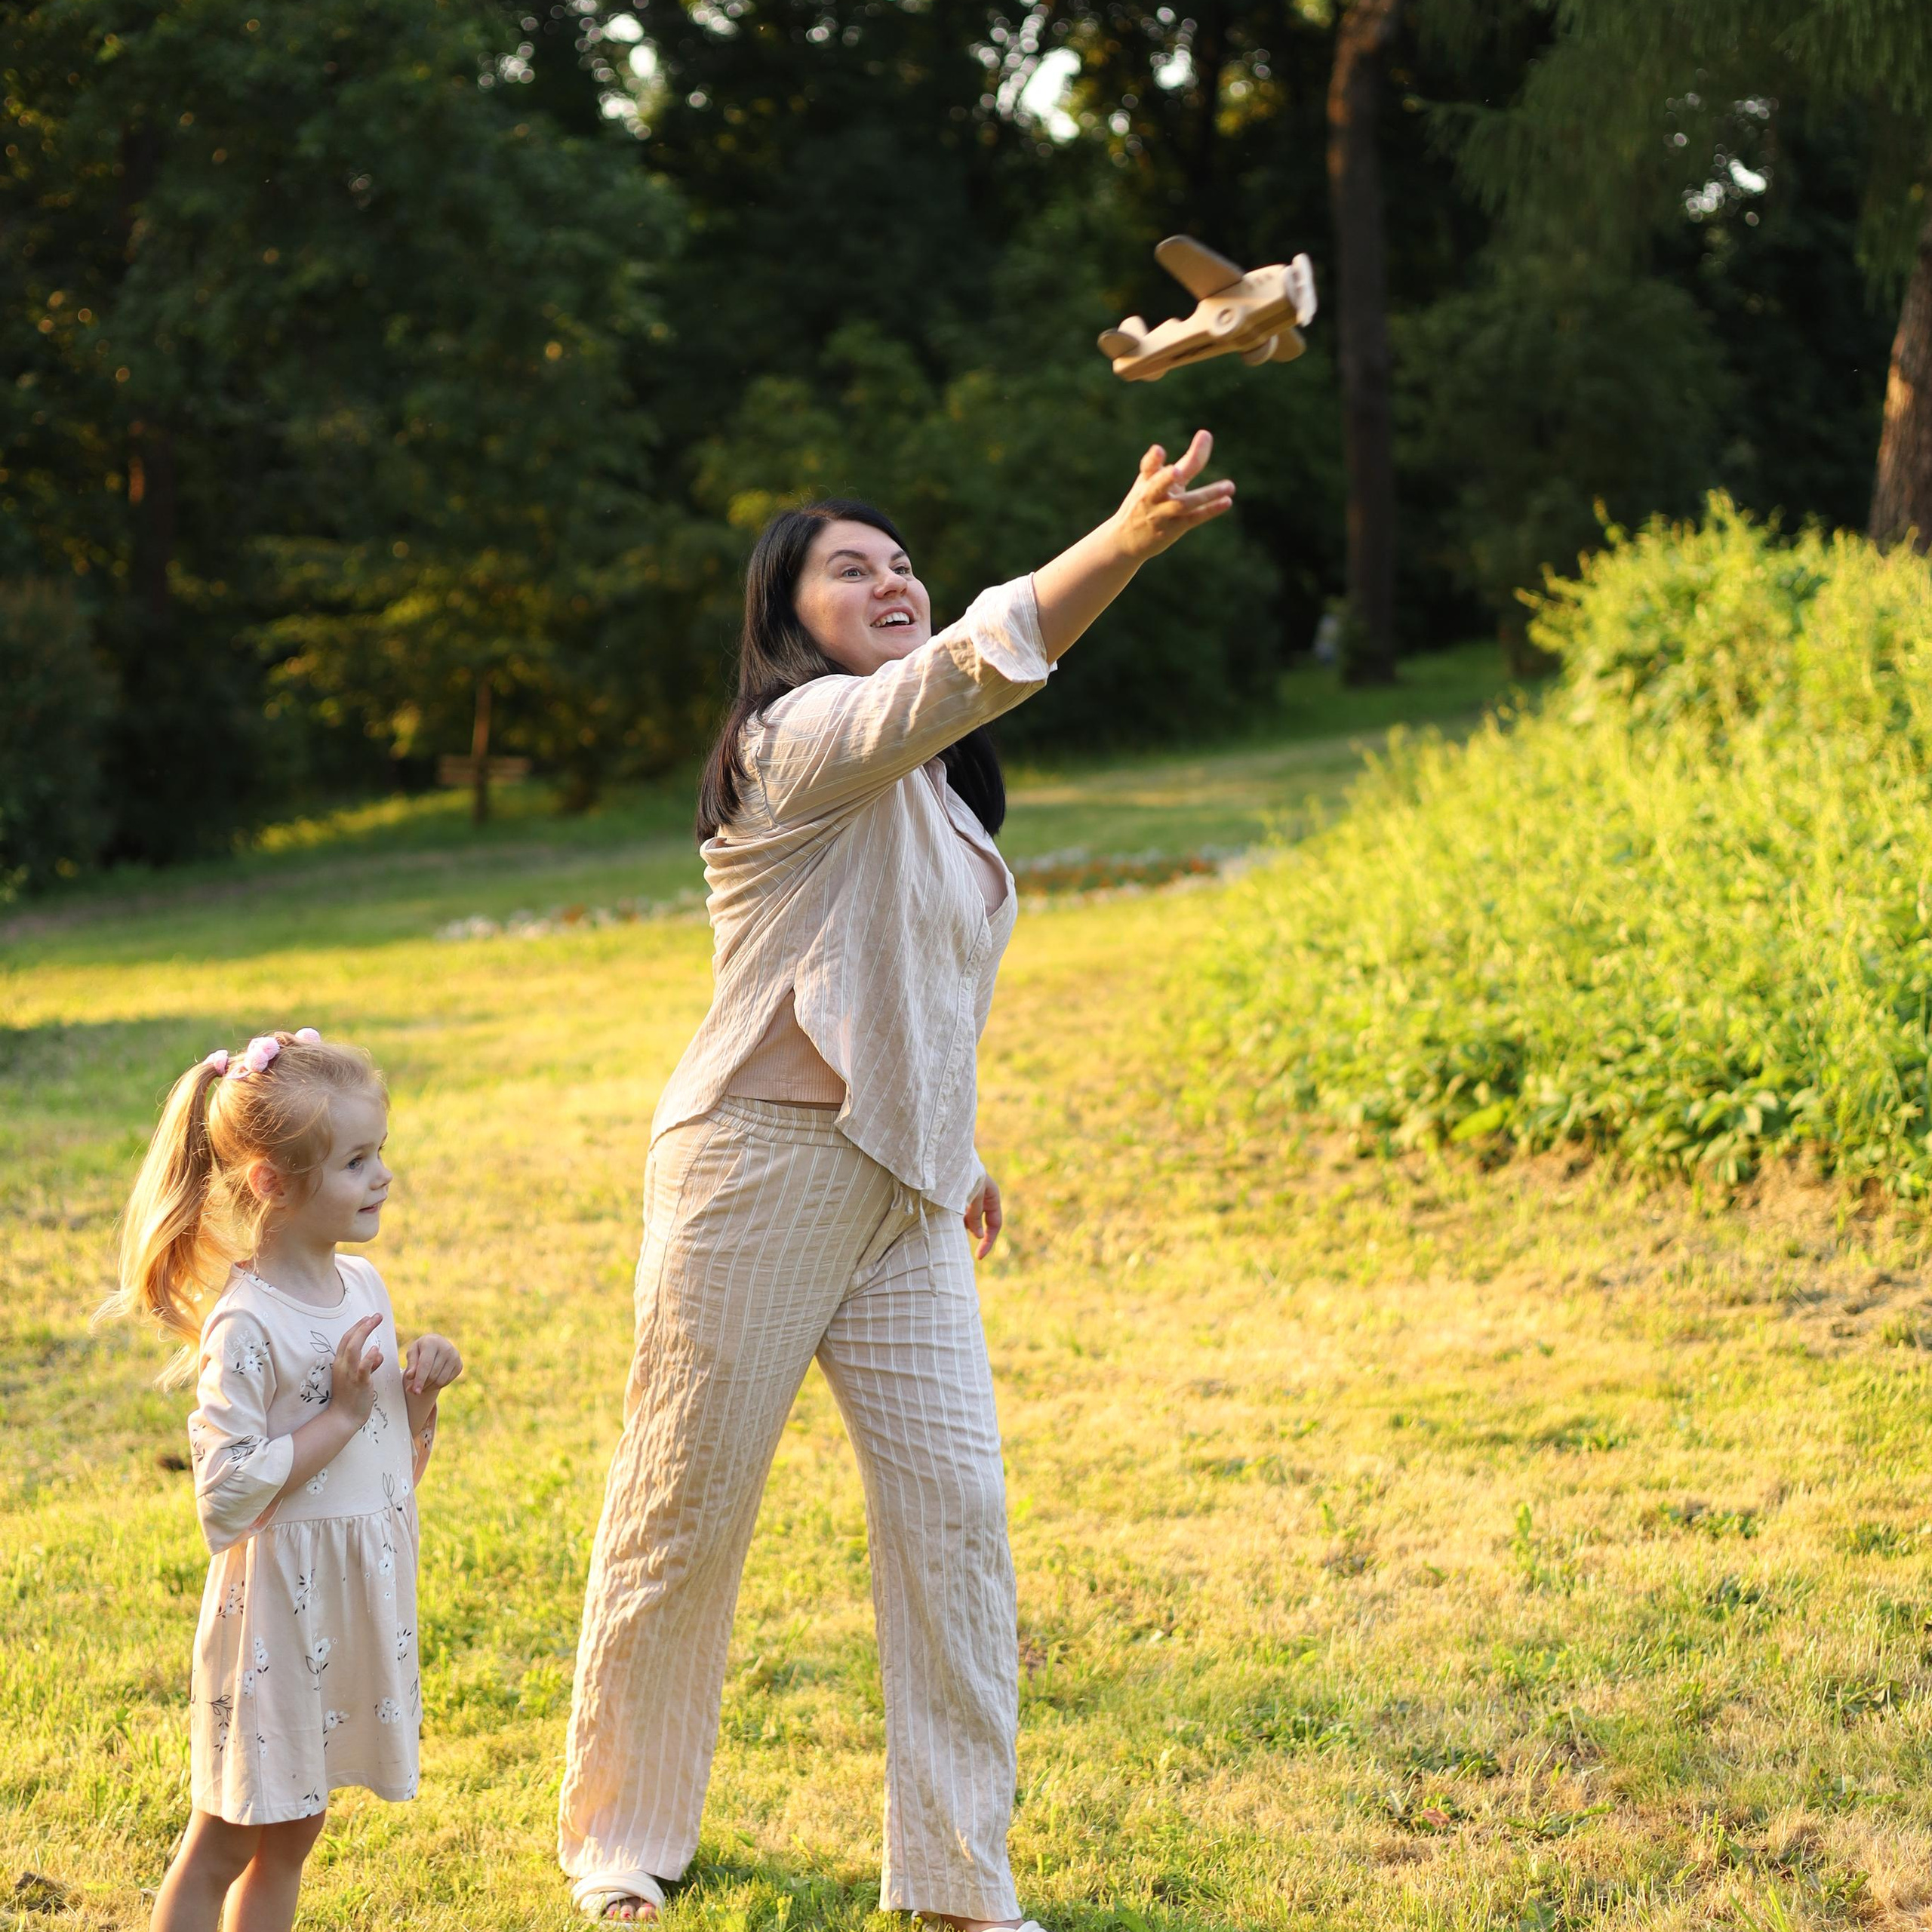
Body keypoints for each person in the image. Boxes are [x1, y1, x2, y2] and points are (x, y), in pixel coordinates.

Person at [560, 431, 1237, 1926]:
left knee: (956, 1518)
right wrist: (1120, 539)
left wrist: (956, 1140)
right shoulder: (793, 742)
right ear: (785, 614)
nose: (888, 580)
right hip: (754, 1168)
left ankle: (956, 1880)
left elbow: (900, 977)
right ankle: (620, 1841)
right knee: (682, 1505)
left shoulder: (929, 788)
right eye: (845, 567)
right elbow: (964, 670)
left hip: (903, 1192)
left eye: (898, 563)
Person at [103, 1028, 463, 1932]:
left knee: (297, 1825)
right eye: (355, 1161)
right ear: (272, 1182)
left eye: (380, 1152)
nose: (381, 1176)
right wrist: (337, 1414)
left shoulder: (364, 1283)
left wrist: (418, 1400)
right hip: (276, 1610)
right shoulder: (246, 1327)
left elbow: (386, 1467)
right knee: (228, 1833)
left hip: (346, 1596)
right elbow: (225, 1493)